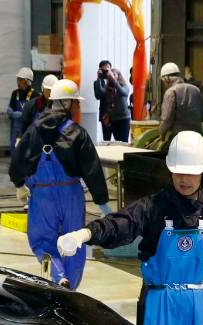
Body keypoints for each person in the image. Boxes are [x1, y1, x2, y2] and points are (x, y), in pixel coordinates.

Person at [58, 130, 203, 325]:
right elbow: (121, 224)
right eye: (179, 172)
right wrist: (86, 234)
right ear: (169, 170)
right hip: (160, 303)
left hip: (201, 306)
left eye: (191, 173)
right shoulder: (154, 207)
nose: (184, 179)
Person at [10, 78, 110, 289]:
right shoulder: (77, 133)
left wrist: (19, 184)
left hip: (43, 197)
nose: (78, 107)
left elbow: (18, 159)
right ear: (67, 104)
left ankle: (58, 276)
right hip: (71, 196)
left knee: (43, 242)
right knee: (73, 242)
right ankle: (70, 289)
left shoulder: (33, 131)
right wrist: (102, 203)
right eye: (77, 102)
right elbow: (92, 169)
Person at [156, 62, 203, 150]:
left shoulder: (170, 92)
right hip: (197, 140)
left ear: (166, 78)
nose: (164, 84)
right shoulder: (196, 90)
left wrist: (162, 135)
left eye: (163, 82)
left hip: (178, 141)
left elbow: (167, 119)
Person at [93, 60, 131, 143]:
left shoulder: (124, 85)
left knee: (123, 142)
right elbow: (100, 93)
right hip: (112, 118)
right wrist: (99, 79)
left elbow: (123, 92)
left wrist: (113, 80)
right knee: (110, 141)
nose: (111, 75)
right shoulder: (108, 88)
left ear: (118, 75)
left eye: (114, 74)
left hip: (123, 118)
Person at [8, 67, 36, 147]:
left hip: (28, 130)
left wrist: (23, 115)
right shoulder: (15, 93)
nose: (18, 82)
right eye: (18, 79)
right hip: (16, 130)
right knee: (14, 150)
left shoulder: (35, 95)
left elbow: (35, 115)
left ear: (28, 82)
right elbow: (11, 108)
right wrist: (10, 111)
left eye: (20, 80)